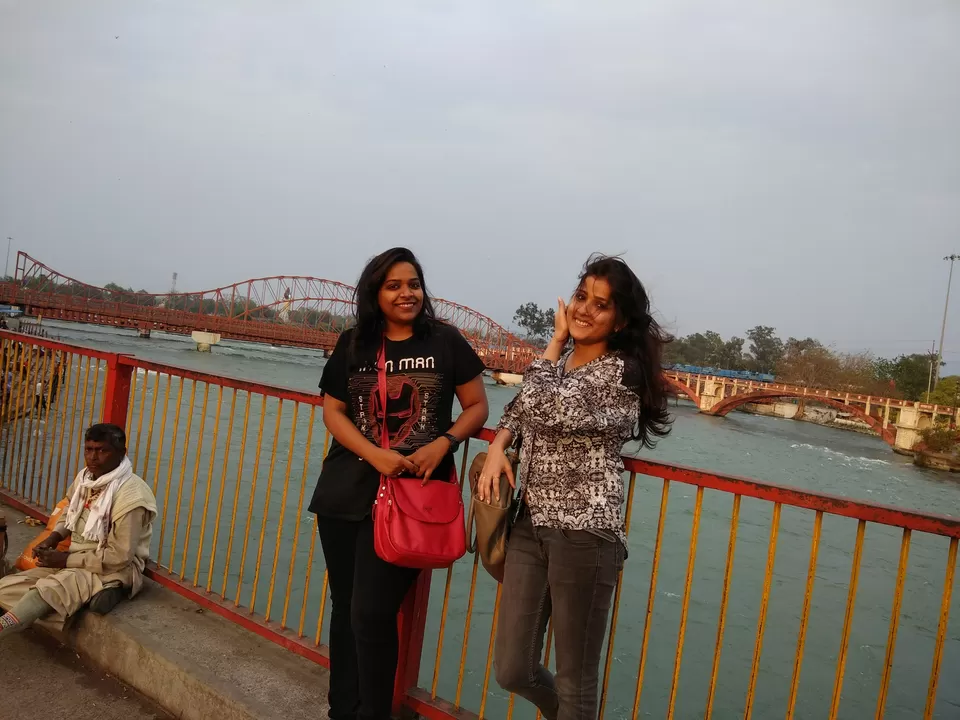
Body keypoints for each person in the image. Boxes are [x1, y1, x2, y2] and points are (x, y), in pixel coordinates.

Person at [477, 255, 672, 720]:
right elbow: (521, 411)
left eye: (600, 305)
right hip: (531, 524)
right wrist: (501, 444)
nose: (585, 309)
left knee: (576, 681)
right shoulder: (562, 363)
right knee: (512, 668)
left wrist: (555, 338)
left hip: (585, 534)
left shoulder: (620, 372)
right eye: (581, 296)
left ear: (620, 319)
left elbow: (543, 407)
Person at [308, 247, 489, 720]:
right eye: (394, 285)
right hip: (348, 488)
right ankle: (341, 710)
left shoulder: (445, 341)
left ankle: (373, 713)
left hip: (415, 497)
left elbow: (477, 407)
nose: (407, 293)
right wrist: (375, 454)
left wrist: (443, 443)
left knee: (371, 611)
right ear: (375, 292)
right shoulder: (354, 343)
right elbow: (333, 410)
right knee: (346, 606)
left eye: (413, 284)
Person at [0, 423, 157, 640]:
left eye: (102, 451)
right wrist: (54, 538)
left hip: (112, 565)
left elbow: (120, 556)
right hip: (75, 556)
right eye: (89, 449)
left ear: (121, 453)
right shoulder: (85, 478)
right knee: (7, 587)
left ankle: (117, 584)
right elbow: (69, 513)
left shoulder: (131, 497)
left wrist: (65, 561)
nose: (93, 457)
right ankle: (101, 592)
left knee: (47, 591)